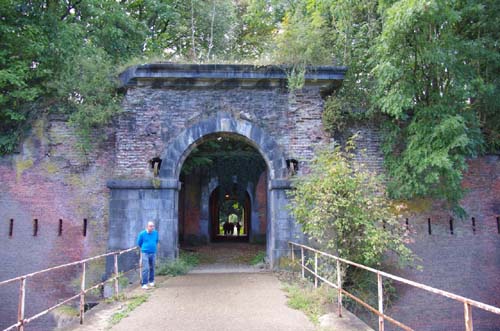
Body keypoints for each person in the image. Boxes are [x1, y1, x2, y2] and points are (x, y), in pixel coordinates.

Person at [137, 221, 159, 289]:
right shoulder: (142, 234)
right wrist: (144, 248)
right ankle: (144, 283)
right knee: (145, 268)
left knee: (152, 267)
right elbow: (139, 243)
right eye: (150, 226)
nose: (152, 227)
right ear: (147, 226)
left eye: (153, 226)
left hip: (153, 252)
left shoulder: (155, 233)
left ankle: (151, 281)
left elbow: (156, 241)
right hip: (145, 253)